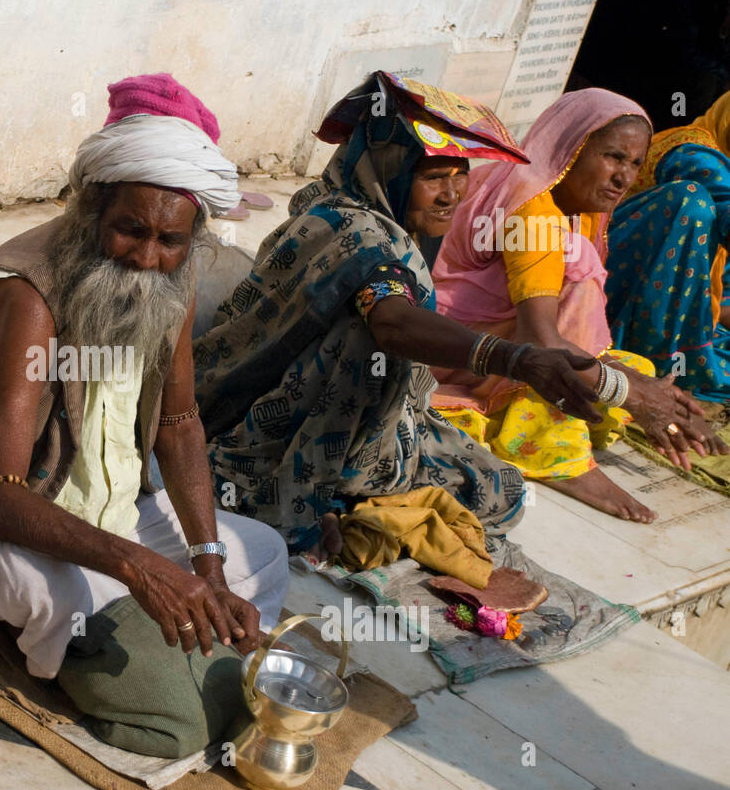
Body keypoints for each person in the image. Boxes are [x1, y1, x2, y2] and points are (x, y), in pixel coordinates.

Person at [0, 73, 289, 701]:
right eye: (131, 229)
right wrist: (142, 568)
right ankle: (103, 630)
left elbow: (178, 427)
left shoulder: (171, 281)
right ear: (91, 208)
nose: (146, 256)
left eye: (170, 240)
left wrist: (207, 568)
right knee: (58, 592)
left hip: (112, 515)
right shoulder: (28, 293)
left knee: (261, 550)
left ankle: (128, 621)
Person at [195, 71, 608, 554]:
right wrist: (514, 359)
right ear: (389, 171)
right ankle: (317, 495)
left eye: (460, 177)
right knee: (378, 348)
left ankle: (344, 487)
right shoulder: (364, 236)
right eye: (433, 177)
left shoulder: (338, 203)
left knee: (506, 489)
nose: (452, 195)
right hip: (274, 422)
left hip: (315, 404)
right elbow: (391, 321)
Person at [430, 89, 726, 523]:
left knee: (635, 370)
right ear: (571, 148)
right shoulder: (535, 210)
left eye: (634, 164)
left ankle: (642, 399)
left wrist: (644, 390)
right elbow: (541, 343)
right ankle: (554, 453)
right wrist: (633, 397)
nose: (624, 178)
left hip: (478, 338)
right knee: (587, 321)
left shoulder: (550, 197)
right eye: (612, 157)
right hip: (456, 352)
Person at [606, 89, 730, 399]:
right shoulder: (691, 151)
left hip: (680, 317)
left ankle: (678, 360)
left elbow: (720, 295)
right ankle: (660, 365)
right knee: (691, 202)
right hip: (606, 286)